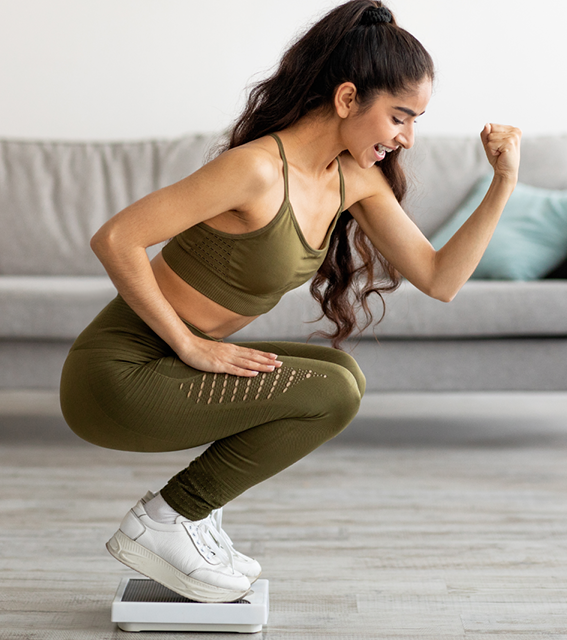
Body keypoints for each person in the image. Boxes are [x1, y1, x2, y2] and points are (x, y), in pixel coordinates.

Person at [60, 0, 521, 603]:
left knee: (342, 373)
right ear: (348, 98)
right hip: (116, 378)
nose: (407, 137)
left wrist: (503, 182)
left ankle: (191, 516)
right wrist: (191, 345)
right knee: (329, 391)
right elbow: (116, 237)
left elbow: (440, 279)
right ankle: (170, 518)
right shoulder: (255, 170)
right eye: (400, 117)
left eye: (415, 121)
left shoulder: (352, 178)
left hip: (165, 370)